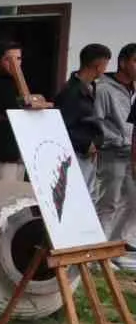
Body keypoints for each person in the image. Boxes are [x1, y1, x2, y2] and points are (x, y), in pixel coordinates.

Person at [0, 39, 52, 182]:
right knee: (1, 200)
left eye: (18, 59)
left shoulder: (17, 84)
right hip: (0, 157)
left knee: (17, 201)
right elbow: (11, 107)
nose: (14, 64)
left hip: (18, 154)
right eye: (8, 59)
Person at [54, 44, 115, 210]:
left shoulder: (91, 87)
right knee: (75, 200)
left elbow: (93, 121)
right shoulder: (71, 92)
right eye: (105, 64)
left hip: (88, 154)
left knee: (88, 198)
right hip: (74, 155)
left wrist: (96, 142)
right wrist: (85, 143)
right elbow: (60, 126)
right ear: (98, 65)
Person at [99, 43, 136, 270]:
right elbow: (97, 120)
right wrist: (115, 139)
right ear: (123, 63)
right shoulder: (105, 89)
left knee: (132, 202)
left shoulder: (133, 89)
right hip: (112, 153)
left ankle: (115, 247)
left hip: (131, 154)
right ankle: (97, 254)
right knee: (108, 202)